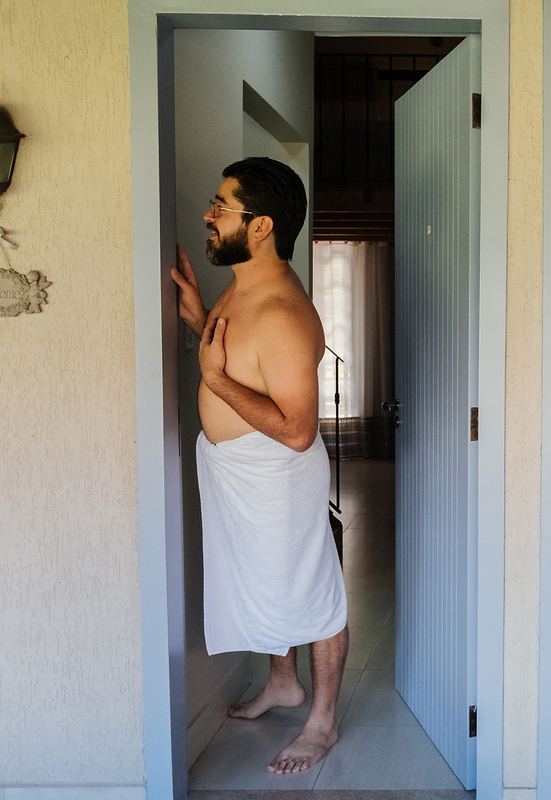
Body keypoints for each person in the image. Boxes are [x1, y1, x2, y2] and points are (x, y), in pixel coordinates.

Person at [171, 156, 348, 775]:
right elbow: (244, 361)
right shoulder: (241, 286)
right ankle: (283, 683)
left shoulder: (283, 313)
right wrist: (200, 319)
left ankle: (322, 722)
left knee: (312, 589)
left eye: (221, 206)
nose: (208, 215)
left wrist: (215, 381)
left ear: (261, 225)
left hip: (276, 478)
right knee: (265, 580)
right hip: (235, 473)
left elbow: (297, 432)